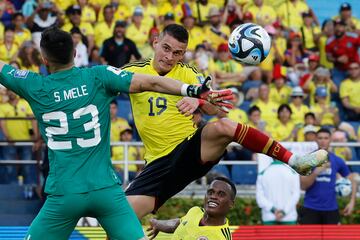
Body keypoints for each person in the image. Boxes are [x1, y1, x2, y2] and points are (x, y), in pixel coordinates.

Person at [0, 27, 231, 240]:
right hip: (106, 192)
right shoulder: (97, 76)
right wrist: (192, 90)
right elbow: (152, 83)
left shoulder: (33, 85)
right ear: (75, 53)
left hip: (64, 193)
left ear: (43, 59)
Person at [122, 24, 328, 219]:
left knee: (224, 126)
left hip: (190, 148)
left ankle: (295, 161)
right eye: (166, 48)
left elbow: (214, 108)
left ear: (183, 54)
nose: (169, 57)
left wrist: (198, 99)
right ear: (155, 42)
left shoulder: (189, 73)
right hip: (158, 164)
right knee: (120, 221)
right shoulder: (131, 71)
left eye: (177, 53)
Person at [299, 128, 357, 224]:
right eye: (320, 138)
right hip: (311, 208)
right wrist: (316, 172)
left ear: (330, 140)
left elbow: (352, 178)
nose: (323, 141)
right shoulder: (307, 160)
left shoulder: (337, 160)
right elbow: (303, 186)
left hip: (331, 209)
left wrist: (352, 202)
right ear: (316, 140)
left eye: (326, 138)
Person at [147, 177, 235, 240]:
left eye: (221, 194)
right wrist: (157, 223)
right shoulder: (195, 211)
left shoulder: (221, 237)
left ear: (231, 203)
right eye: (210, 192)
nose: (213, 196)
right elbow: (178, 224)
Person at [256, 159, 300, 225]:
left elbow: (260, 198)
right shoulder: (293, 172)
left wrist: (273, 210)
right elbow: (296, 195)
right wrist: (284, 212)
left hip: (269, 217)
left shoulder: (262, 173)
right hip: (289, 217)